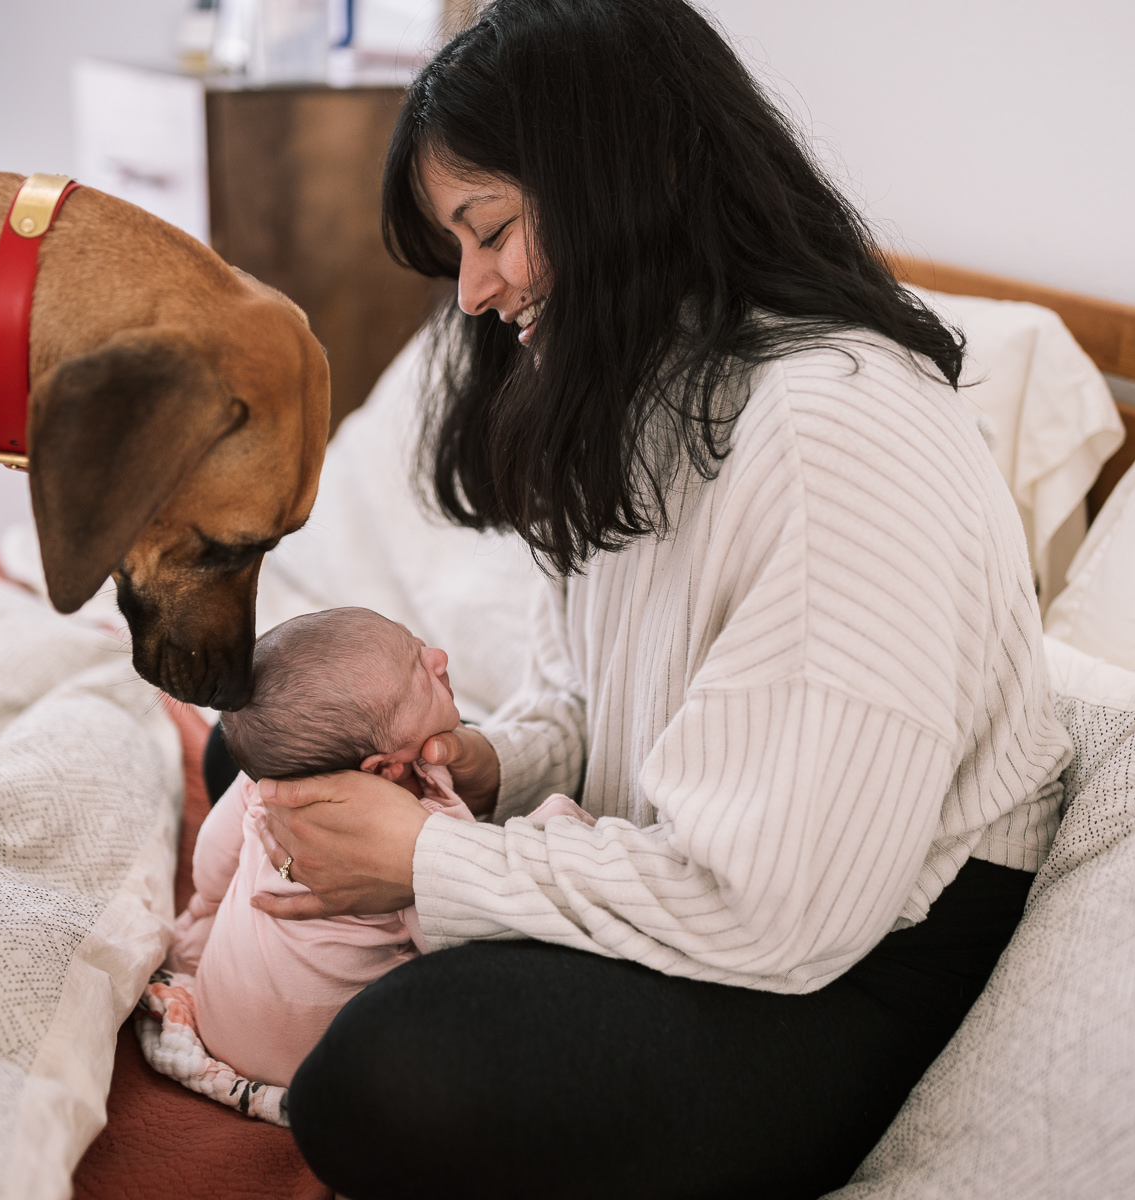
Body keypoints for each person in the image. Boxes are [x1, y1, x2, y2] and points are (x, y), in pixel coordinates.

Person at [232, 1, 1074, 1195]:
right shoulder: (644, 394)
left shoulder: (833, 434)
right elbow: (589, 702)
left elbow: (775, 910)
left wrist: (431, 860)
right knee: (263, 757)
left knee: (383, 1077)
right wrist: (485, 768)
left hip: (852, 954)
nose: (470, 292)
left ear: (629, 177)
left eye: (492, 231)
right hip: (697, 885)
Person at [174, 606, 592, 1088]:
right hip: (314, 1060)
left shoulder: (265, 791)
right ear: (382, 769)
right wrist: (557, 821)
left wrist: (204, 912)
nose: (439, 657)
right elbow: (457, 942)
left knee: (224, 754)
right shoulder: (427, 821)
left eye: (417, 644)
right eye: (420, 671)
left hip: (219, 1018)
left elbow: (212, 856)